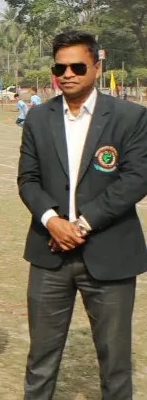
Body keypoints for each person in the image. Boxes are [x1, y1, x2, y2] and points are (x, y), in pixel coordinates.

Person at [17, 30, 147, 400]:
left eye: (77, 66)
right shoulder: (38, 118)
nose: (68, 74)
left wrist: (82, 224)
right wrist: (52, 221)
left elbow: (136, 180)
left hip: (110, 254)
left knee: (115, 364)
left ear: (97, 67)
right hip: (49, 254)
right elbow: (28, 179)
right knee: (40, 361)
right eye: (60, 68)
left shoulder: (130, 117)